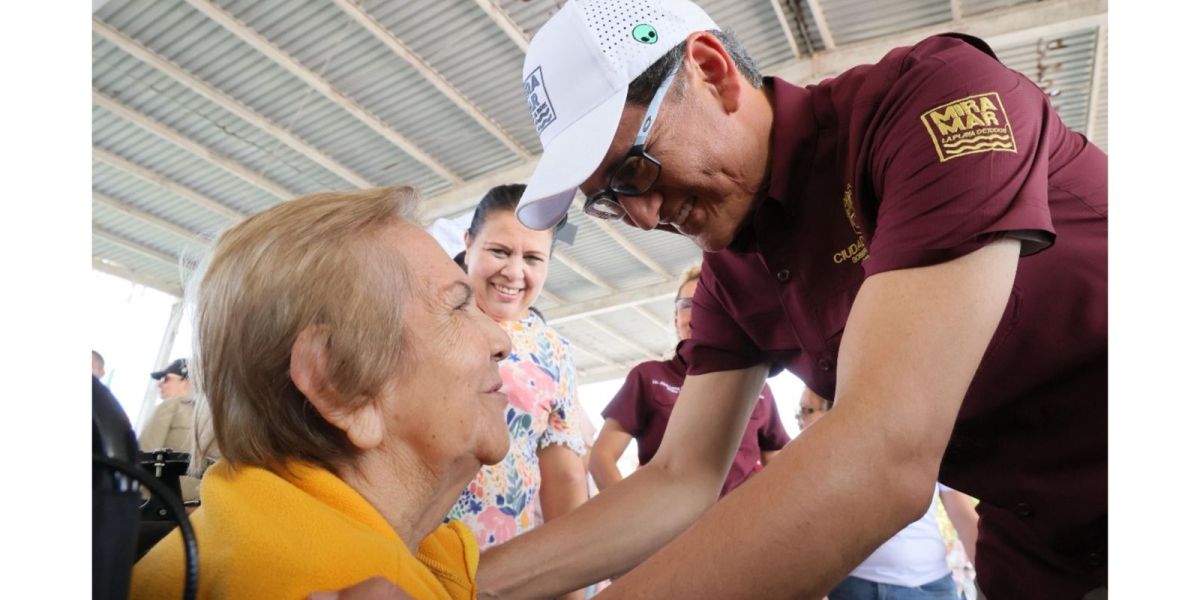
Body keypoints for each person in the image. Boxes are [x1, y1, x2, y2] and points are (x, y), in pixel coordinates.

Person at [479, 1, 1107, 598]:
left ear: (712, 72)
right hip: (1040, 559)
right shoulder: (731, 276)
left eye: (633, 172)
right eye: (609, 201)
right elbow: (680, 477)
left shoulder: (931, 99)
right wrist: (465, 581)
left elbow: (883, 451)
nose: (642, 218)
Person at [131, 186, 513, 599]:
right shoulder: (330, 580)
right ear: (339, 385)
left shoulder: (248, 535)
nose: (502, 341)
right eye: (457, 308)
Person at [444, 185, 589, 593]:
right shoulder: (426, 320)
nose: (514, 271)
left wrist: (572, 588)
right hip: (413, 559)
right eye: (500, 251)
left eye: (532, 258)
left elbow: (564, 478)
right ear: (468, 243)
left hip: (510, 574)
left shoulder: (554, 351)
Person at [590, 264, 790, 496]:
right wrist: (632, 512)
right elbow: (601, 457)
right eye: (687, 305)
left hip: (742, 514)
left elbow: (776, 458)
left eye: (710, 304)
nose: (698, 314)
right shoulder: (649, 377)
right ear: (675, 318)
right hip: (673, 514)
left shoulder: (757, 387)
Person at [797, 387, 977, 600]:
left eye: (806, 410)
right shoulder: (820, 464)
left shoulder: (925, 439)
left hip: (929, 587)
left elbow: (964, 517)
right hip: (853, 587)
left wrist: (994, 582)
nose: (800, 420)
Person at [138, 357, 202, 502]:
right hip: (176, 502)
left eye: (166, 379)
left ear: (186, 380)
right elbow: (146, 456)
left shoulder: (170, 407)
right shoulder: (209, 416)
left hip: (167, 503)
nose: (160, 384)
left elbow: (144, 455)